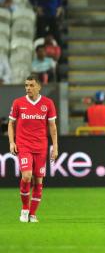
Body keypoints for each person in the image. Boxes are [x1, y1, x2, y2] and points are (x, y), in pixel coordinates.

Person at [8, 75, 58, 223]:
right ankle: (24, 209)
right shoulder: (18, 103)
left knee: (38, 181)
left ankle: (33, 214)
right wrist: (12, 142)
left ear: (38, 87)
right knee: (27, 176)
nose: (28, 88)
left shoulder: (48, 103)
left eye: (31, 85)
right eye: (26, 85)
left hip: (41, 147)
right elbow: (11, 124)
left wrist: (55, 147)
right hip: (24, 145)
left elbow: (52, 127)